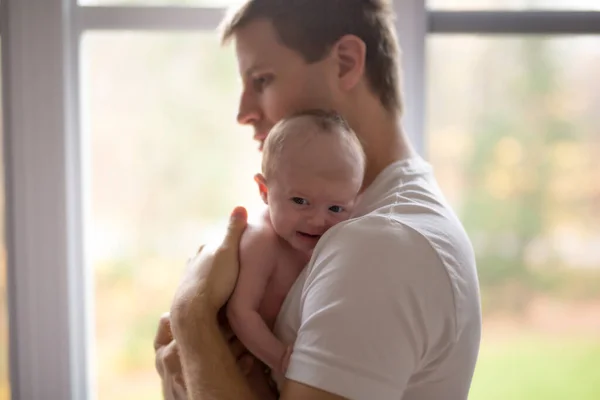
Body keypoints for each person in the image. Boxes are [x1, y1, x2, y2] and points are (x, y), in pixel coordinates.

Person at [154, 0, 483, 399]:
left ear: (345, 62)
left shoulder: (379, 245)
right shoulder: (342, 222)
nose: (243, 112)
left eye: (262, 79)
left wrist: (193, 319)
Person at [226, 109, 366, 377]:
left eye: (336, 208)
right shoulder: (262, 242)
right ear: (265, 191)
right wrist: (280, 359)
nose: (317, 221)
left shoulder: (330, 243)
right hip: (242, 360)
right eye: (300, 201)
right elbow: (241, 312)